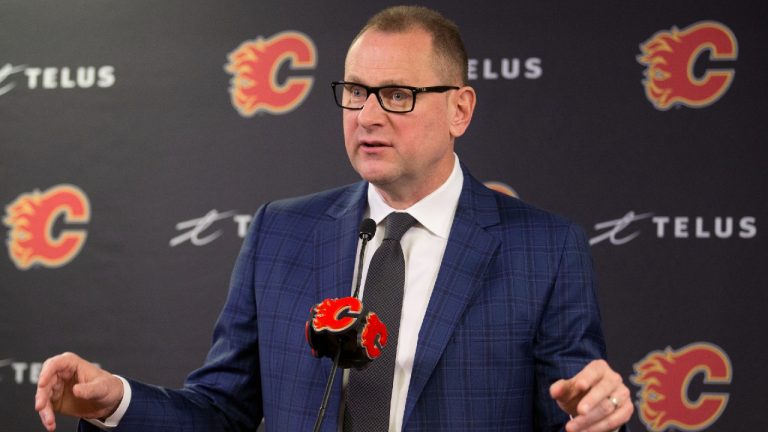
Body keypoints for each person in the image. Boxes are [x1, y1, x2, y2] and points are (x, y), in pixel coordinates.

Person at [35, 5, 633, 432]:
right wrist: (116, 402)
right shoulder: (281, 232)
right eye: (355, 91)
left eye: (397, 94)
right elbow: (223, 411)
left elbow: (578, 412)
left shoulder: (544, 249)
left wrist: (601, 414)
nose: (368, 115)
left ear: (459, 108)